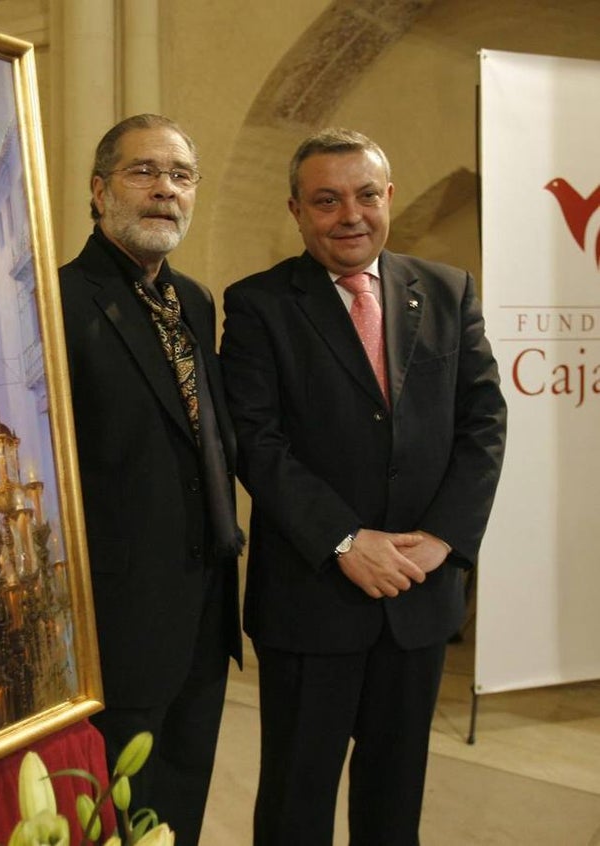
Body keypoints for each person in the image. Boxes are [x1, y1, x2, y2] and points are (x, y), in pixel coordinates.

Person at [219, 128, 507, 845]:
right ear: (296, 209)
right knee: (296, 805)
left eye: (365, 195)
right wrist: (345, 539)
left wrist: (442, 539)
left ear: (389, 197)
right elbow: (257, 442)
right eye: (326, 200)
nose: (350, 214)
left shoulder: (447, 291)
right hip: (313, 600)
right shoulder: (258, 305)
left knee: (393, 806)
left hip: (418, 594)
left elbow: (483, 424)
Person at [59, 114, 243, 844]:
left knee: (181, 806)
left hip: (203, 606)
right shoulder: (58, 299)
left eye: (181, 176)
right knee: (114, 814)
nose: (165, 190)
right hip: (118, 618)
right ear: (99, 191)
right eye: (145, 172)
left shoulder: (193, 300)